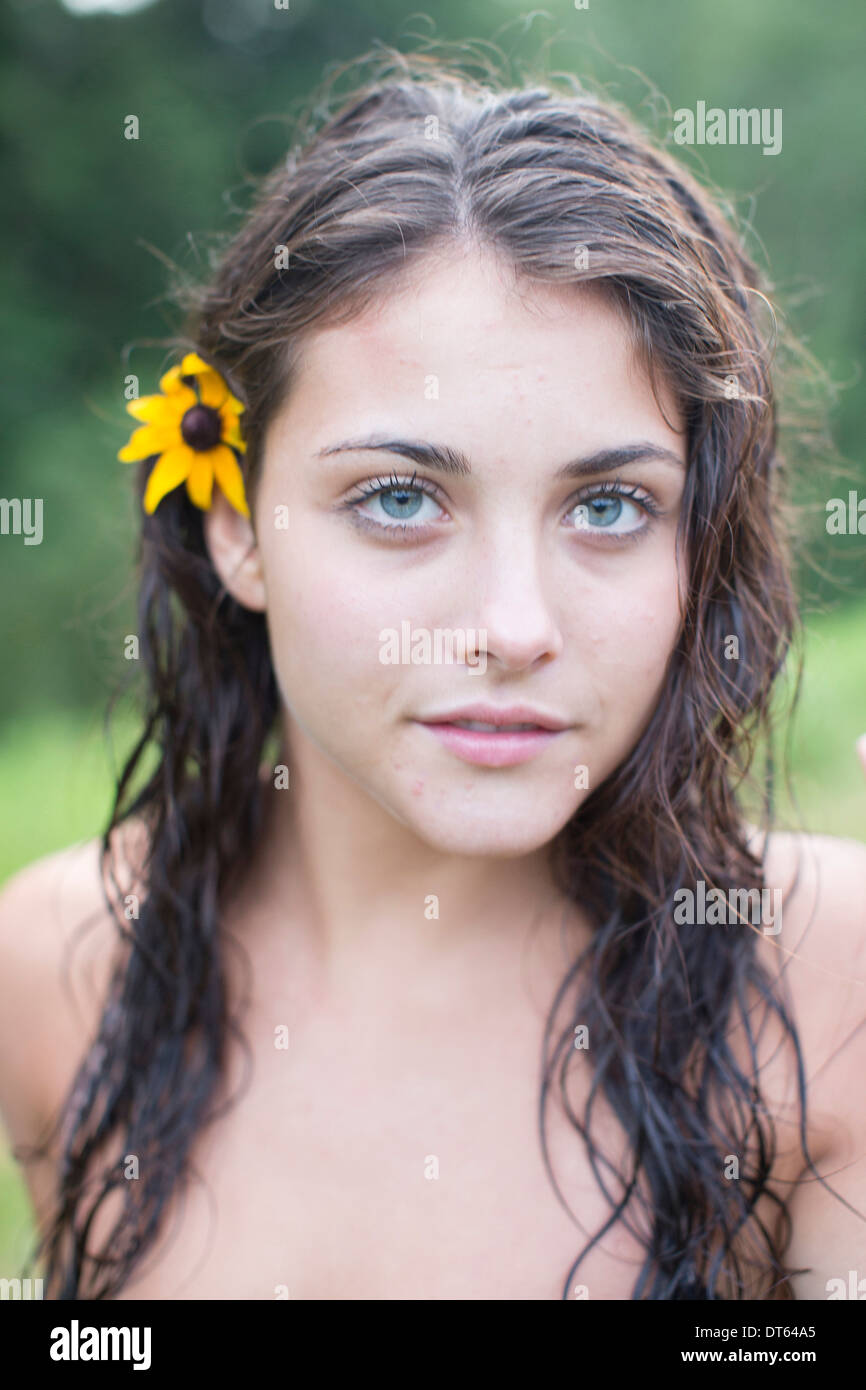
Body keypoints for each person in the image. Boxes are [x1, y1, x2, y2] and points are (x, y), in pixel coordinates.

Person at [1, 45, 865, 1301]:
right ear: (237, 521)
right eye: (400, 497)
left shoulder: (828, 980)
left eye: (611, 505)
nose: (513, 625)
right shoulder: (61, 968)